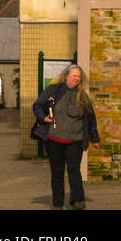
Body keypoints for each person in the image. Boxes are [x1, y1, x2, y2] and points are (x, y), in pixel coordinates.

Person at [33, 64, 100, 210]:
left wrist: (94, 138)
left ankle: (78, 201)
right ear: (66, 76)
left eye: (79, 76)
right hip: (54, 139)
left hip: (75, 140)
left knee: (74, 170)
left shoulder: (83, 96)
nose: (77, 79)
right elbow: (37, 105)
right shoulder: (54, 90)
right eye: (74, 75)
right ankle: (57, 204)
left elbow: (91, 119)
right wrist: (43, 118)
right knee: (57, 172)